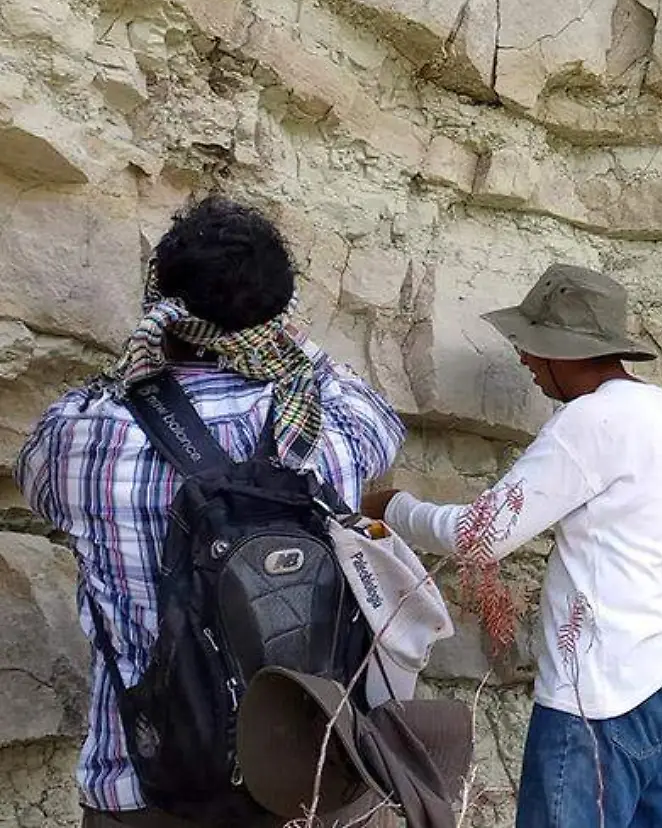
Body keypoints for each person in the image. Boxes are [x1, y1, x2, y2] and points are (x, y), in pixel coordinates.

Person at [15, 196, 408, 828]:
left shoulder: (81, 437)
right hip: (301, 788)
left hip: (141, 790)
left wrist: (140, 359)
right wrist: (290, 347)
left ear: (161, 309)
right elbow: (379, 416)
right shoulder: (329, 437)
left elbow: (33, 481)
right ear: (277, 318)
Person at [361, 263, 662, 828]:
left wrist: (392, 508)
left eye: (532, 348)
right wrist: (638, 591)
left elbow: (479, 537)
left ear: (565, 352)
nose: (524, 360)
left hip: (594, 702)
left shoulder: (588, 422)